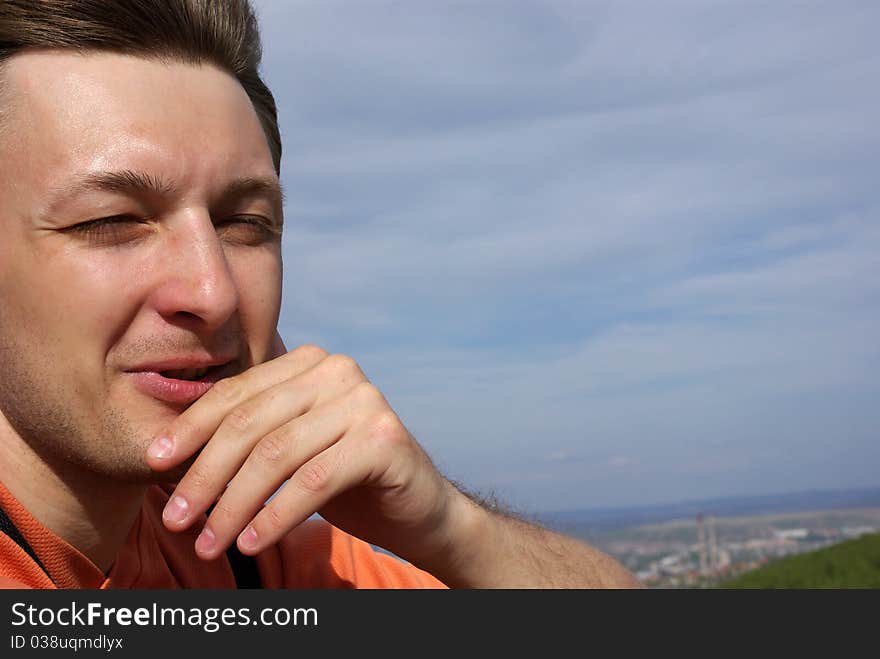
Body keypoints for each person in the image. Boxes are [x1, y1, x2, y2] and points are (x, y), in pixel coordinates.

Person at [0, 0, 638, 590]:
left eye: (245, 224)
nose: (213, 291)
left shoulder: (234, 550)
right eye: (108, 222)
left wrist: (448, 526)